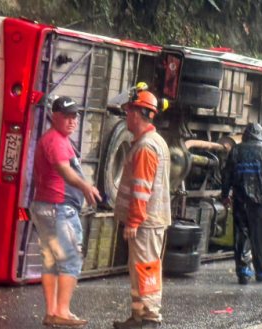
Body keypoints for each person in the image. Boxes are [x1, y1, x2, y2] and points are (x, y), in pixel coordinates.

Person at [30, 96, 101, 327]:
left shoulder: (57, 139)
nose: (72, 121)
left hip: (47, 207)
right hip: (58, 207)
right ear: (55, 116)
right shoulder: (56, 140)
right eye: (67, 116)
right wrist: (85, 186)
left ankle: (52, 312)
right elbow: (63, 170)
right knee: (71, 258)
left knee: (51, 261)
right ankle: (61, 311)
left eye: (75, 116)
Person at [113, 86, 171, 329]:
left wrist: (134, 220)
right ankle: (139, 317)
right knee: (140, 270)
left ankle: (149, 318)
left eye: (127, 112)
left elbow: (141, 188)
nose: (126, 117)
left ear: (136, 114)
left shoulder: (146, 146)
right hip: (149, 222)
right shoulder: (151, 142)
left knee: (146, 269)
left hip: (145, 223)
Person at [221, 122, 262, 285]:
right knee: (261, 236)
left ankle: (243, 271)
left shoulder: (236, 150)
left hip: (240, 201)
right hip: (260, 203)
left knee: (242, 235)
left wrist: (225, 195)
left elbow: (227, 175)